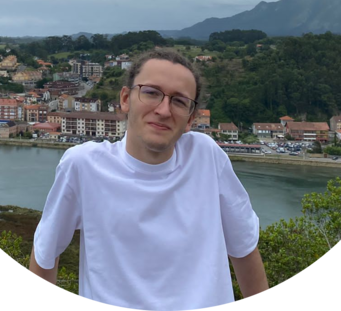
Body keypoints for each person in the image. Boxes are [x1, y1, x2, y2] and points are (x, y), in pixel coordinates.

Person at [29, 48, 269, 309]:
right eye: (152, 92)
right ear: (125, 99)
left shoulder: (207, 156)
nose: (163, 110)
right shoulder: (83, 166)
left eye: (179, 101)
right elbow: (45, 255)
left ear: (190, 119)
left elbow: (244, 249)